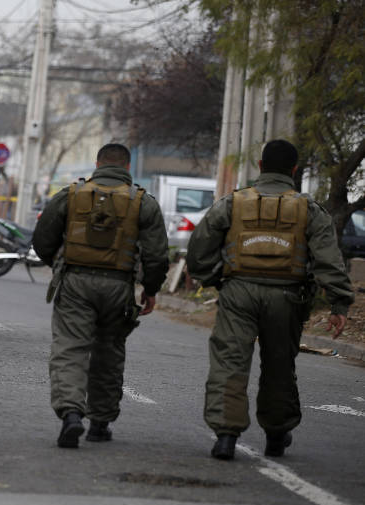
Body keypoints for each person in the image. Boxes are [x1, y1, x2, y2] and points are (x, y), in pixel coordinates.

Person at [187, 139, 353, 460]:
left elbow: (199, 250)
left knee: (230, 363)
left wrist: (215, 280)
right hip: (288, 297)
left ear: (260, 167)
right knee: (279, 365)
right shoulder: (309, 210)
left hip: (238, 292)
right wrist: (339, 304)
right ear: (293, 170)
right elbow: (329, 261)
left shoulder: (232, 203)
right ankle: (277, 434)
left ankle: (225, 435)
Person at [32, 143, 169, 448]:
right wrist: (151, 289)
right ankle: (100, 423)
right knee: (109, 351)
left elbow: (42, 239)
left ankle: (70, 413)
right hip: (119, 285)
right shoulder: (142, 202)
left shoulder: (71, 194)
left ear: (97, 164)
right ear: (127, 167)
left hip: (75, 282)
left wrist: (59, 264)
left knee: (70, 348)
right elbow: (157, 255)